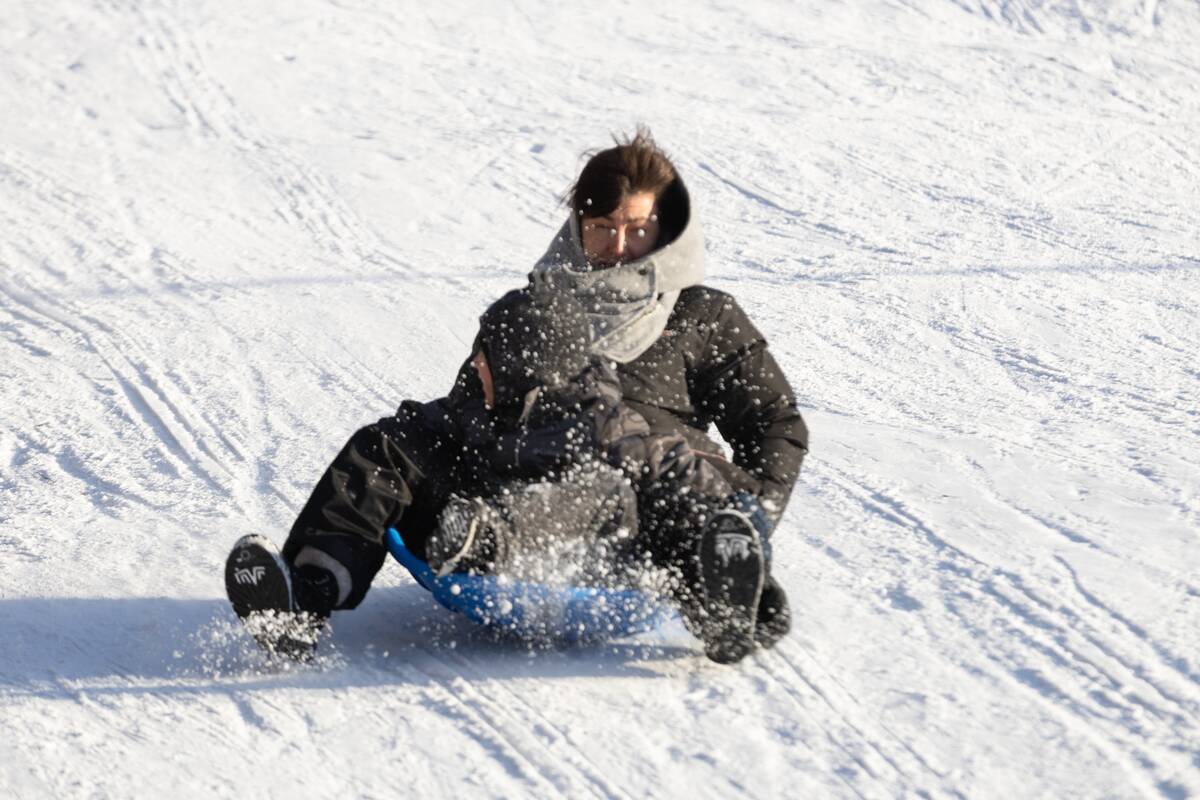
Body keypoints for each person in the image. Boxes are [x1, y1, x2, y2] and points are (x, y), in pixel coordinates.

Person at [224, 127, 807, 662]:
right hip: (499, 495)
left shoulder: (703, 316)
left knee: (613, 484)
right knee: (390, 445)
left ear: (668, 228)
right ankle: (303, 600)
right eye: (602, 228)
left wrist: (752, 516)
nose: (619, 246)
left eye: (637, 229)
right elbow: (465, 408)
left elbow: (775, 422)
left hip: (635, 508)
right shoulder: (526, 309)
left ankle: (720, 595)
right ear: (577, 226)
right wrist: (463, 435)